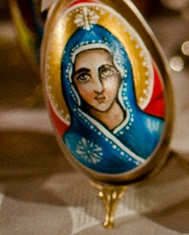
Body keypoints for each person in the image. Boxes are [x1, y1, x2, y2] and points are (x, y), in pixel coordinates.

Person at [60, 20, 164, 174]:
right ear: (72, 85)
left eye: (106, 72)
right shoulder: (73, 140)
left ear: (121, 74)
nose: (99, 88)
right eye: (84, 77)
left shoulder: (153, 129)